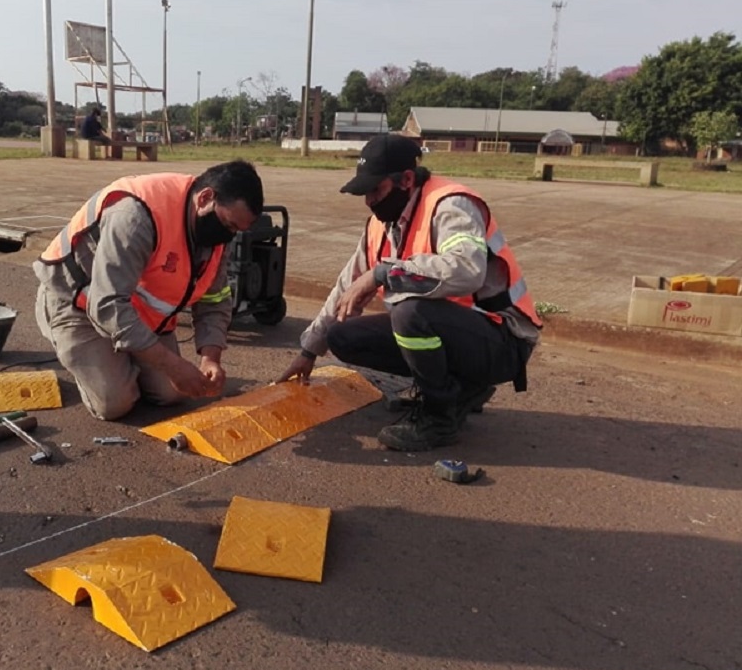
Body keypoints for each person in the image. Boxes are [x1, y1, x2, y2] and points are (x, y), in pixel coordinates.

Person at [276, 134, 541, 451]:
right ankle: (458, 390)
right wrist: (308, 351)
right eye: (365, 192)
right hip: (458, 335)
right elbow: (347, 286)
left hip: (502, 342)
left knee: (410, 314)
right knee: (341, 335)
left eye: (376, 190)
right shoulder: (380, 223)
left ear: (406, 179)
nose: (370, 201)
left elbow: (467, 270)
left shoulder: (450, 205)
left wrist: (383, 273)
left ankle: (439, 417)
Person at [34, 160, 264, 421]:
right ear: (205, 198)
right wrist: (171, 364)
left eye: (238, 230)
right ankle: (88, 351)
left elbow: (215, 299)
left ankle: (125, 358)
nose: (230, 236)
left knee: (173, 393)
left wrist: (211, 358)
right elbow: (107, 303)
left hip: (136, 312)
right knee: (115, 403)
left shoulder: (215, 234)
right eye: (230, 225)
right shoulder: (136, 217)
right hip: (79, 305)